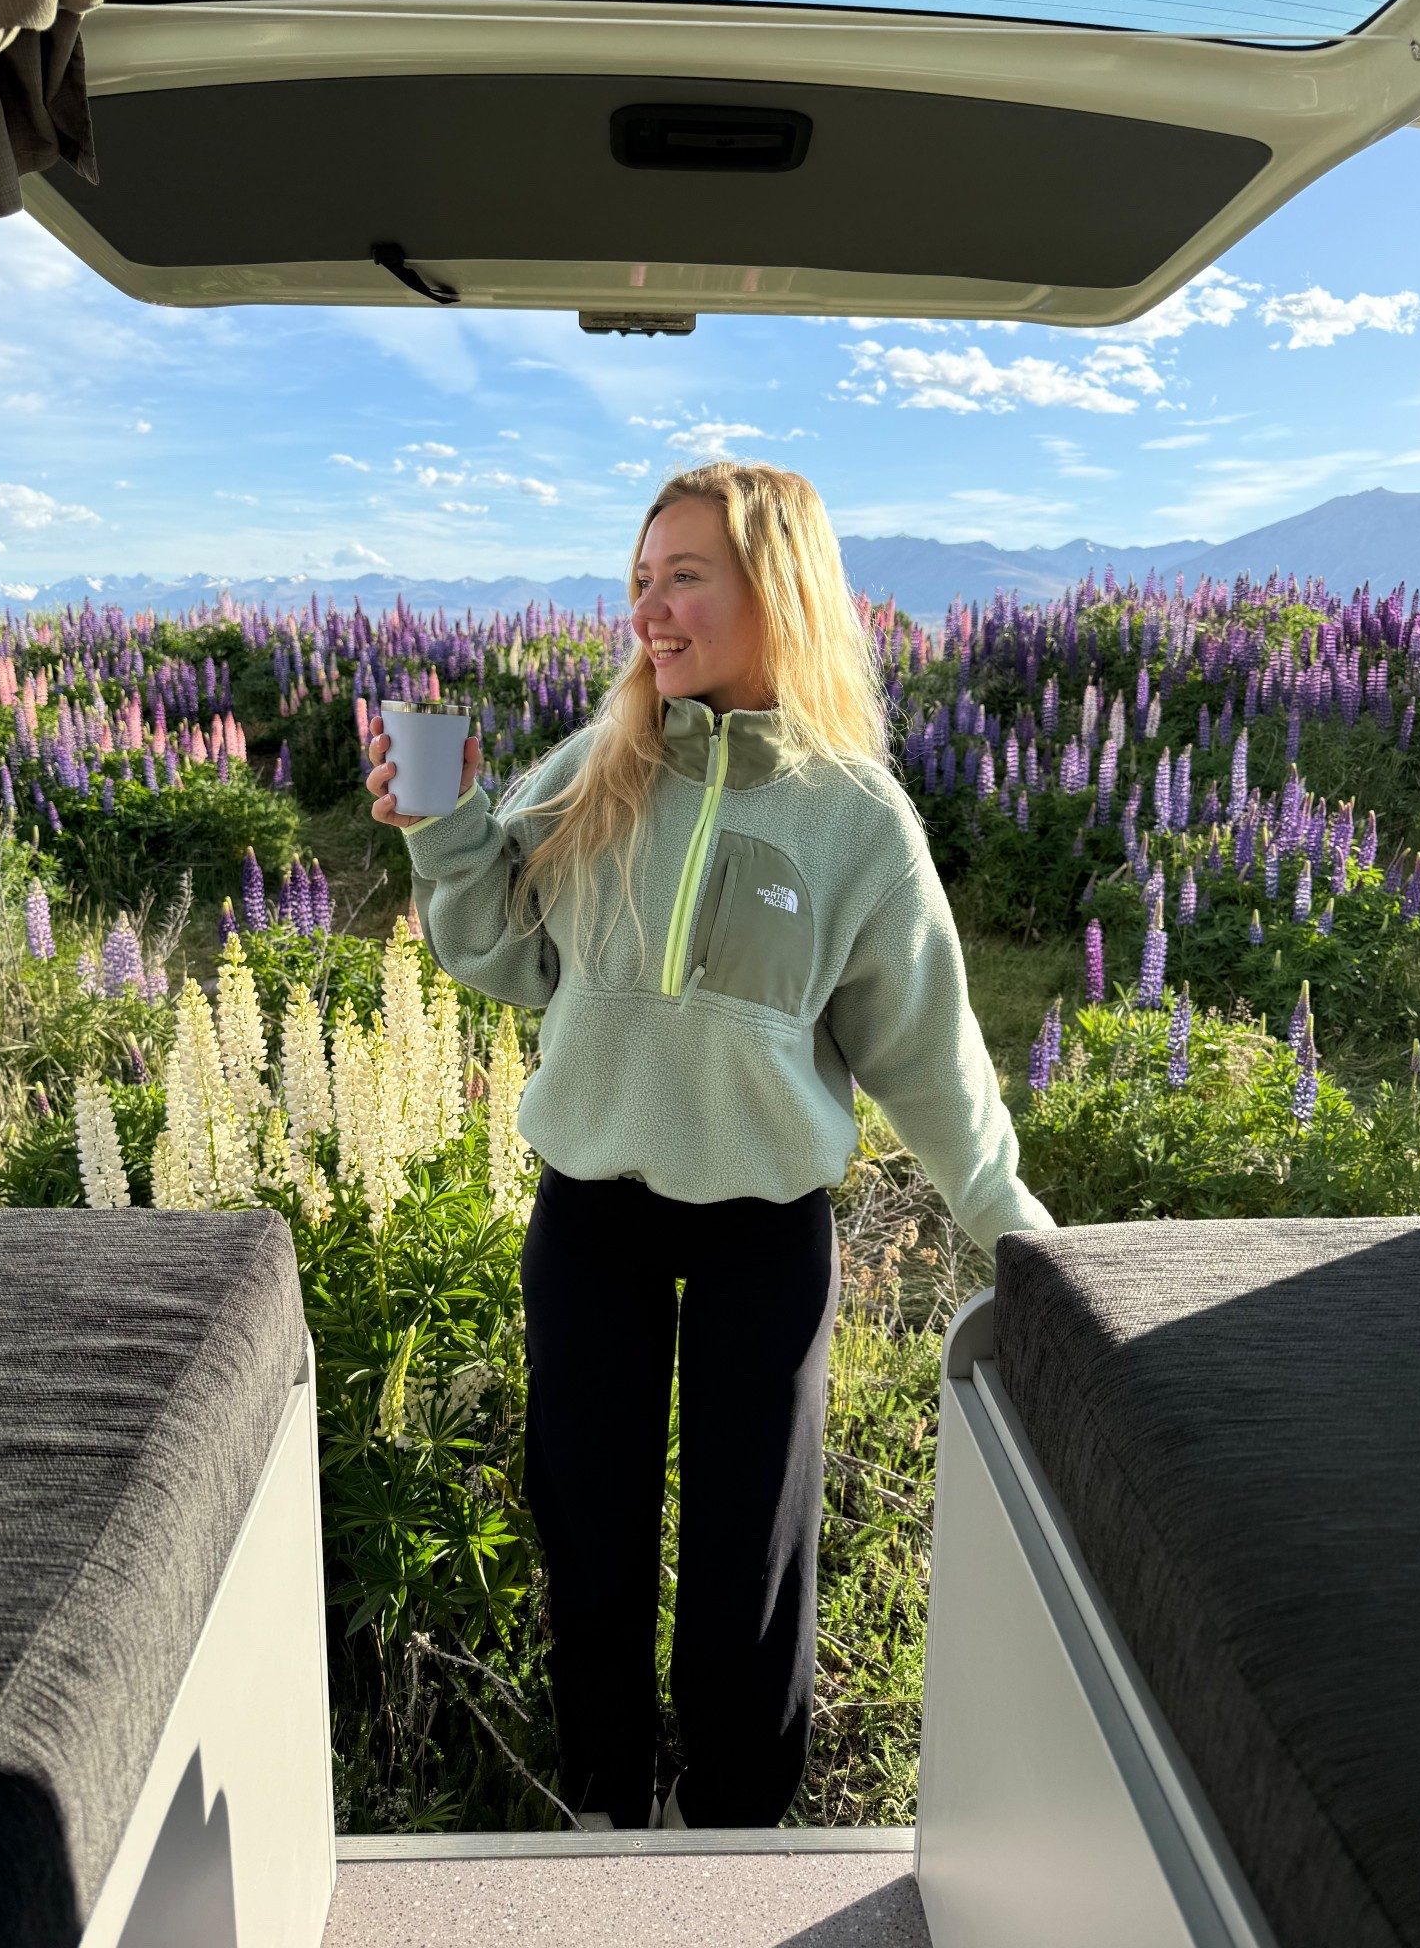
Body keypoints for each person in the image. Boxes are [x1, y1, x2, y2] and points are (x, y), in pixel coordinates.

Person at [365, 459, 1056, 1835]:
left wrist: (1025, 1242)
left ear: (776, 590)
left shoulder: (858, 821)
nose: (651, 611)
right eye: (641, 580)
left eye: (685, 576)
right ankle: (605, 1812)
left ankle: (731, 1833)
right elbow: (509, 953)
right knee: (591, 1537)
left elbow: (929, 1060)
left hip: (761, 1232)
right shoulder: (601, 764)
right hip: (592, 1215)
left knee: (753, 1564)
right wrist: (443, 829)